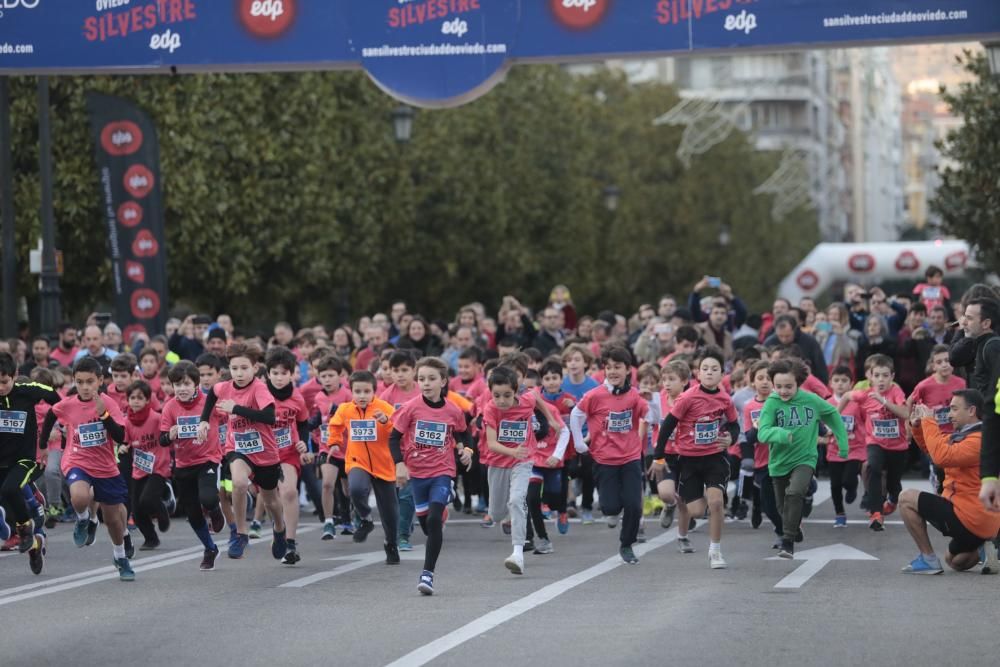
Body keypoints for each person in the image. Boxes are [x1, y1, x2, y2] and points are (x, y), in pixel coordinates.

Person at [41, 357, 135, 581]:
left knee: (113, 519)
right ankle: (83, 518)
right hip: (77, 460)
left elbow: (121, 436)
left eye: (90, 381)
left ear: (100, 381)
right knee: (79, 497)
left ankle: (120, 557)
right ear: (74, 380)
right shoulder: (68, 404)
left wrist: (104, 415)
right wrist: (43, 443)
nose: (85, 387)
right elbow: (52, 413)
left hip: (105, 466)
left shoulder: (108, 403)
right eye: (80, 381)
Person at [197, 342, 288, 561]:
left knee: (271, 502)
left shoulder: (259, 388)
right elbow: (211, 394)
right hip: (237, 447)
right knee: (238, 483)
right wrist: (204, 421)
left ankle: (279, 528)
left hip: (265, 451)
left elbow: (269, 417)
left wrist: (235, 409)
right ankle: (240, 533)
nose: (239, 373)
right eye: (235, 368)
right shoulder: (224, 387)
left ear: (255, 368)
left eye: (244, 368)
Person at [390, 357, 472, 595]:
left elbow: (465, 436)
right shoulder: (411, 408)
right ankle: (440, 510)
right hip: (417, 473)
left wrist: (466, 451)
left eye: (431, 379)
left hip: (442, 471)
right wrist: (400, 464)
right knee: (427, 524)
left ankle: (427, 574)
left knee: (435, 519)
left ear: (443, 381)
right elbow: (393, 438)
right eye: (422, 379)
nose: (426, 383)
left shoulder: (453, 410)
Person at [653, 346, 738, 569]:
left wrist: (731, 439)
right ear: (698, 373)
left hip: (714, 458)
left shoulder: (725, 399)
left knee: (717, 502)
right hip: (688, 460)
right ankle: (698, 498)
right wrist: (659, 457)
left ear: (722, 374)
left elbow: (734, 424)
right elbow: (667, 426)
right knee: (697, 512)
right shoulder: (688, 398)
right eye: (705, 369)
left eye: (714, 369)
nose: (709, 372)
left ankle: (716, 551)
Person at [902, 389, 1000, 574]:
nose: (949, 414)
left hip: (970, 516)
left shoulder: (979, 439)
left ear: (971, 411)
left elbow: (941, 457)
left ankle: (928, 559)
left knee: (906, 497)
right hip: (975, 519)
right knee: (954, 561)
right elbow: (933, 449)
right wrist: (917, 426)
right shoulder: (966, 434)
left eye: (954, 409)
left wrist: (929, 420)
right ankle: (985, 547)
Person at [757, 359, 848, 558]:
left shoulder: (811, 400)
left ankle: (787, 542)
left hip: (805, 458)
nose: (783, 391)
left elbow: (832, 414)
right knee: (783, 508)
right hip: (779, 462)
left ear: (798, 383)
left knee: (795, 492)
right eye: (778, 386)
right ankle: (794, 528)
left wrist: (843, 444)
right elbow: (762, 433)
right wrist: (781, 434)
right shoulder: (772, 403)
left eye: (788, 386)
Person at [572, 346, 649, 564]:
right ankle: (613, 511)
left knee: (634, 505)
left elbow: (651, 417)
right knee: (610, 508)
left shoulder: (634, 395)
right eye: (609, 367)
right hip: (604, 459)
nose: (613, 371)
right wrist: (579, 443)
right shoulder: (595, 395)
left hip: (631, 457)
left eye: (618, 367)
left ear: (628, 370)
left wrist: (650, 401)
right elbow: (576, 415)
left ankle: (627, 544)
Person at [485, 365, 566, 571]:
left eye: (507, 395)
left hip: (523, 460)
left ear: (515, 391)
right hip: (498, 462)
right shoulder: (491, 409)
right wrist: (512, 452)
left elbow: (537, 398)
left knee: (516, 500)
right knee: (496, 513)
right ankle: (503, 517)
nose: (501, 400)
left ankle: (517, 553)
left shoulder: (526, 400)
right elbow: (492, 443)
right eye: (496, 395)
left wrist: (550, 419)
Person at [329, 370, 400, 564]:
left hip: (383, 464)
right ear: (351, 392)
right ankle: (365, 518)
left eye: (366, 391)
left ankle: (391, 543)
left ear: (374, 392)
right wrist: (334, 442)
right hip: (357, 460)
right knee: (356, 488)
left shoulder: (384, 407)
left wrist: (386, 422)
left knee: (390, 511)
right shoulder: (345, 409)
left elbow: (398, 430)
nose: (362, 396)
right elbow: (335, 426)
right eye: (357, 391)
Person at [160, 360, 224, 571]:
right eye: (178, 385)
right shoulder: (170, 407)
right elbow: (162, 439)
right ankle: (210, 548)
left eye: (186, 384)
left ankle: (215, 510)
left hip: (208, 459)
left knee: (208, 497)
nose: (182, 389)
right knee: (193, 513)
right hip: (183, 464)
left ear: (196, 384)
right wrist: (169, 435)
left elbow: (228, 416)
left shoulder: (209, 402)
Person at [0, 352, 60, 573]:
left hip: (23, 459)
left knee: (10, 489)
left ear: (14, 375)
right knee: (8, 498)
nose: (0, 387)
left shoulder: (27, 391)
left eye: (4, 382)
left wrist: (48, 434)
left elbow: (57, 400)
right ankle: (35, 544)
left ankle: (25, 529)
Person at [844, 354, 910, 532]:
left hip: (898, 446)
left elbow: (905, 413)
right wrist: (833, 419)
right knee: (872, 467)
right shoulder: (863, 394)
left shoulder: (896, 391)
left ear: (892, 377)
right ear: (870, 377)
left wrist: (884, 401)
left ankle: (893, 500)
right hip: (875, 442)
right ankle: (876, 513)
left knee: (893, 484)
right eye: (877, 375)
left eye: (885, 375)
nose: (881, 380)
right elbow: (846, 397)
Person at [947, 298, 1000, 512]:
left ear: (986, 323)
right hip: (981, 423)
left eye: (969, 318)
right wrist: (962, 330)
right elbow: (954, 357)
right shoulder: (976, 343)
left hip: (989, 423)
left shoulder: (993, 346)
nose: (963, 322)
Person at [265, 346, 312, 565]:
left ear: (292, 373)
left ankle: (290, 544)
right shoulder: (259, 393)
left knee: (290, 492)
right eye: (275, 373)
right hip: (262, 453)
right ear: (267, 374)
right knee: (270, 499)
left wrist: (303, 441)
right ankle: (278, 530)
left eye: (284, 373)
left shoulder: (297, 397)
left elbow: (303, 422)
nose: (279, 377)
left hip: (287, 452)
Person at [120, 380, 170, 550]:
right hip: (139, 468)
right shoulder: (126, 422)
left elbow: (166, 432)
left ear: (148, 400)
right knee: (137, 509)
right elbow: (125, 441)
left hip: (158, 466)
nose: (135, 401)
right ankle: (151, 539)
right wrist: (123, 447)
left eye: (140, 398)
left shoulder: (156, 418)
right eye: (132, 397)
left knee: (148, 500)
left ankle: (162, 511)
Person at [654, 360, 691, 533]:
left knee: (688, 498)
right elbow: (650, 421)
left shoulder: (691, 400)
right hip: (666, 454)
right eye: (664, 379)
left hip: (687, 454)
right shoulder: (658, 399)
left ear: (683, 381)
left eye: (672, 379)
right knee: (666, 493)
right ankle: (670, 505)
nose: (667, 383)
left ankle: (683, 535)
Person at [827, 366, 865, 527]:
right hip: (834, 449)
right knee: (835, 484)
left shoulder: (857, 403)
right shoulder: (827, 403)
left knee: (848, 480)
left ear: (851, 384)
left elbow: (865, 422)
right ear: (830, 383)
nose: (840, 384)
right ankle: (840, 514)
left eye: (844, 381)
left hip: (855, 448)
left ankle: (852, 488)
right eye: (836, 380)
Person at [764, 315, 828, 384]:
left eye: (787, 336)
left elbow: (820, 367)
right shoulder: (770, 343)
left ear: (794, 330)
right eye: (780, 336)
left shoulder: (809, 342)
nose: (784, 339)